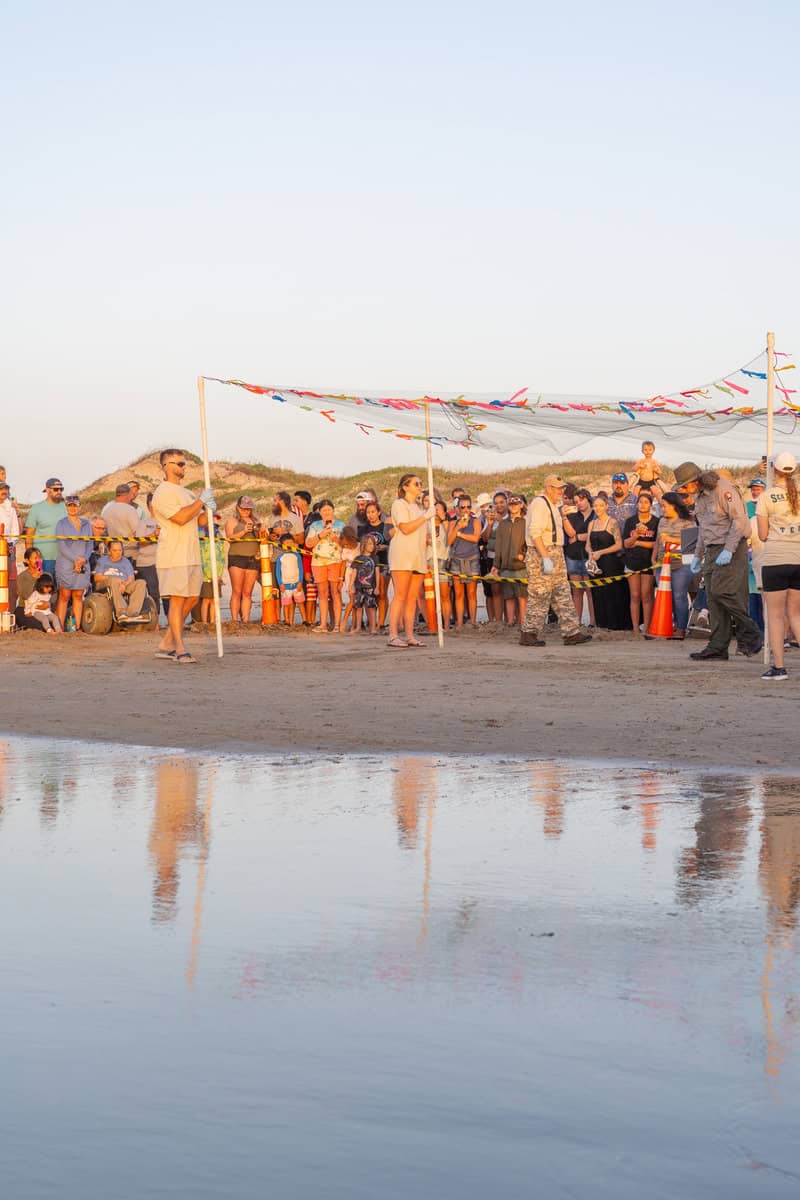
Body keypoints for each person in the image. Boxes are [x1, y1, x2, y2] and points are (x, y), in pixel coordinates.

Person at [673, 462, 763, 661]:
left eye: (685, 486)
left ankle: (750, 631)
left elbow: (739, 520)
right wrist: (697, 554)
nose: (683, 491)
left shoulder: (723, 489)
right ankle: (717, 646)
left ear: (695, 481)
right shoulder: (699, 497)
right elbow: (704, 528)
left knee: (723, 591)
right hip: (712, 548)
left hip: (732, 545)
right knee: (713, 599)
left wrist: (729, 550)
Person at [152, 449, 213, 664]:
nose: (183, 467)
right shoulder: (163, 492)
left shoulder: (186, 493)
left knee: (192, 598)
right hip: (173, 554)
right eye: (179, 464)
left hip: (192, 553)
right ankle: (179, 648)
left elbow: (198, 521)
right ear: (166, 465)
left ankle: (167, 641)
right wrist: (199, 502)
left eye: (184, 464)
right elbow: (180, 518)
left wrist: (209, 511)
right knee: (177, 601)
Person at [519, 475, 591, 647]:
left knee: (562, 593)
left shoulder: (554, 505)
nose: (561, 492)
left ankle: (571, 632)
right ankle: (529, 633)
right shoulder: (539, 504)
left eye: (562, 488)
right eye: (558, 488)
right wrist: (545, 557)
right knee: (540, 594)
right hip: (542, 551)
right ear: (549, 488)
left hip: (556, 551)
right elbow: (535, 533)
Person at [756, 452, 800, 681]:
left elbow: (762, 535)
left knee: (774, 616)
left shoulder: (766, 496)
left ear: (774, 470)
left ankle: (779, 667)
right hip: (798, 558)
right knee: (795, 614)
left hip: (775, 559)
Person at [388, 473, 433, 648]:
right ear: (405, 487)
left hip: (417, 555)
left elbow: (421, 532)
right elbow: (405, 528)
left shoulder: (420, 509)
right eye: (416, 483)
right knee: (400, 595)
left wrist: (429, 537)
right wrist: (425, 517)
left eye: (420, 483)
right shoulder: (399, 504)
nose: (420, 485)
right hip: (402, 554)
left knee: (412, 597)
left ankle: (409, 635)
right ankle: (393, 634)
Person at [654, 492, 696, 639]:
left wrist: (671, 539)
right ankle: (669, 624)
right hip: (661, 564)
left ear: (673, 506)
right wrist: (653, 559)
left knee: (679, 596)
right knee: (667, 596)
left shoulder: (688, 521)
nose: (662, 509)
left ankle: (681, 627)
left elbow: (692, 542)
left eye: (664, 506)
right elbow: (658, 541)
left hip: (682, 564)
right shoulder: (661, 521)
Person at [587, 493, 631, 631]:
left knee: (612, 593)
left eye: (601, 505)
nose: (598, 508)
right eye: (595, 506)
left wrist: (601, 552)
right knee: (597, 593)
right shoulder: (591, 524)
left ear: (606, 506)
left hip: (611, 563)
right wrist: (590, 554)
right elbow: (587, 544)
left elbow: (619, 545)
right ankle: (601, 623)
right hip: (595, 563)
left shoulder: (612, 522)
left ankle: (615, 625)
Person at [305, 499, 344, 633]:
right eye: (324, 510)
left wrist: (335, 538)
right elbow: (309, 544)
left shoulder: (340, 525)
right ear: (320, 512)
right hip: (318, 561)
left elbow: (347, 545)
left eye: (329, 510)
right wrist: (320, 535)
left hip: (335, 561)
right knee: (322, 593)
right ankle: (323, 624)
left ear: (333, 510)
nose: (327, 512)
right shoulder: (315, 525)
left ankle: (337, 624)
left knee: (335, 592)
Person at [54, 494, 93, 630]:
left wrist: (84, 559)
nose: (72, 508)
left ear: (79, 506)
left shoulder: (87, 524)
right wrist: (75, 560)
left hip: (83, 563)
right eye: (69, 505)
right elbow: (62, 545)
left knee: (78, 595)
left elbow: (90, 544)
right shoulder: (61, 524)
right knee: (64, 595)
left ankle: (75, 627)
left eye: (75, 505)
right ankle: (59, 627)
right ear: (66, 507)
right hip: (66, 564)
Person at [622, 491, 658, 635]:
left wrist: (638, 542)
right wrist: (636, 534)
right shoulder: (630, 521)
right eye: (640, 502)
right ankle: (636, 628)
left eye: (646, 502)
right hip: (632, 562)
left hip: (648, 562)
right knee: (635, 595)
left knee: (646, 595)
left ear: (650, 505)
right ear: (636, 504)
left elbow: (656, 544)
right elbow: (626, 543)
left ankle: (648, 627)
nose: (642, 505)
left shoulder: (656, 521)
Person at [224, 496, 262, 623]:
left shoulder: (256, 521)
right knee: (237, 591)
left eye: (248, 509)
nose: (246, 511)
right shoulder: (232, 521)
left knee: (247, 592)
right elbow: (230, 538)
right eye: (243, 508)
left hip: (253, 558)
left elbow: (261, 540)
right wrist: (244, 531)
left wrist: (263, 532)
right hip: (237, 557)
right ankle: (234, 620)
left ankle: (246, 620)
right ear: (238, 508)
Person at [357, 499, 393, 628]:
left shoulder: (385, 526)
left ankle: (381, 623)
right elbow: (359, 546)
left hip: (383, 562)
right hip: (367, 565)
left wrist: (384, 547)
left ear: (379, 512)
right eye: (368, 512)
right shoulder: (362, 529)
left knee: (382, 593)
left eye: (373, 512)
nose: (370, 515)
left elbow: (391, 543)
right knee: (368, 594)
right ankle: (371, 621)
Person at [447, 493, 481, 628]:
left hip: (471, 558)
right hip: (456, 559)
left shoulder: (476, 521)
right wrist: (458, 527)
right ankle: (459, 624)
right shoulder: (453, 523)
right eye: (463, 507)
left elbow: (475, 538)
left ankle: (472, 622)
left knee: (471, 593)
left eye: (468, 507)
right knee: (458, 594)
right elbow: (449, 541)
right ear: (457, 508)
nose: (466, 510)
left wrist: (459, 534)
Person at [492, 493, 527, 625]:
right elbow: (498, 546)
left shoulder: (525, 523)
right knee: (508, 596)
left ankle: (524, 623)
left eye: (516, 504)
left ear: (521, 505)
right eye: (511, 504)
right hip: (505, 566)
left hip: (520, 566)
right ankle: (510, 622)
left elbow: (529, 543)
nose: (513, 507)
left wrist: (523, 555)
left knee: (522, 596)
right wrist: (496, 565)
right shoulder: (502, 524)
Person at [563, 487, 594, 626]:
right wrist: (564, 517)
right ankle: (577, 623)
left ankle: (593, 622)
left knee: (590, 591)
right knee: (577, 592)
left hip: (590, 557)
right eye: (576, 501)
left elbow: (595, 533)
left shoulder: (596, 515)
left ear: (588, 499)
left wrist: (579, 536)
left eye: (581, 500)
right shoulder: (572, 516)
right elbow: (570, 534)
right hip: (573, 556)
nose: (579, 503)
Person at [93, 539, 148, 617]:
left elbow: (131, 578)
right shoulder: (103, 560)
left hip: (123, 585)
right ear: (109, 551)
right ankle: (122, 612)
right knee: (113, 580)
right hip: (106, 585)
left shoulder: (126, 561)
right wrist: (114, 580)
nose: (118, 553)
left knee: (141, 582)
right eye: (115, 550)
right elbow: (97, 578)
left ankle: (132, 613)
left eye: (120, 550)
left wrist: (124, 585)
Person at [24, 478, 67, 576]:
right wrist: (30, 559)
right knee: (43, 588)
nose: (59, 492)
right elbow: (29, 535)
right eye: (56, 489)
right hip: (42, 559)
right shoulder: (36, 508)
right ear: (47, 490)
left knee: (61, 590)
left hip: (63, 558)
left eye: (61, 489)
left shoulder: (66, 508)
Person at [481, 492, 508, 622]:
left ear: (507, 502)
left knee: (509, 592)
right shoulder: (491, 519)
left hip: (507, 558)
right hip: (492, 557)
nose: (499, 505)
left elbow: (511, 534)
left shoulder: (509, 517)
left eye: (502, 502)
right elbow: (485, 538)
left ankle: (511, 621)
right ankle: (498, 622)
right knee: (495, 590)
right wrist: (490, 524)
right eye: (496, 503)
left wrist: (500, 521)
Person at [426, 500, 452, 630]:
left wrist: (444, 520)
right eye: (434, 509)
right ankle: (434, 623)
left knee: (444, 595)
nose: (436, 512)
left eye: (439, 509)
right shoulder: (426, 524)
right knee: (431, 595)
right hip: (429, 560)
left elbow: (451, 538)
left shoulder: (447, 524)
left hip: (443, 560)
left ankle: (446, 624)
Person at [746, 477, 767, 635]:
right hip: (751, 557)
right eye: (753, 488)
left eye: (758, 488)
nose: (755, 491)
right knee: (753, 598)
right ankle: (757, 633)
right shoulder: (748, 507)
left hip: (767, 558)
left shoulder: (769, 510)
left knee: (766, 602)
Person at [101, 483, 141, 564]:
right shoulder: (130, 510)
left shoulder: (106, 511)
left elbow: (103, 534)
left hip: (111, 555)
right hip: (129, 555)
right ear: (128, 495)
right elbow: (137, 533)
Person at [349, 533, 380, 634]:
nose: (371, 546)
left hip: (371, 587)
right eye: (369, 544)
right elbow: (354, 573)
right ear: (363, 545)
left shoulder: (375, 558)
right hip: (359, 587)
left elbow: (377, 573)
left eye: (372, 544)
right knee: (358, 607)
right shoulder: (358, 558)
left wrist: (377, 587)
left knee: (372, 607)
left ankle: (373, 628)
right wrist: (351, 585)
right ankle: (358, 627)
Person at [136, 493, 160, 615]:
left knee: (167, 594)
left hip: (164, 562)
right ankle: (155, 620)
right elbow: (140, 542)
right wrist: (153, 535)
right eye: (152, 503)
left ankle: (171, 620)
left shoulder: (167, 523)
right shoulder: (143, 523)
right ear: (148, 505)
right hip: (147, 563)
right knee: (153, 592)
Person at [199, 516, 226, 624]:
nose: (213, 530)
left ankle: (212, 621)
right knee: (206, 600)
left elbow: (222, 558)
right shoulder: (202, 538)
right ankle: (204, 622)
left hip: (217, 575)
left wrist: (219, 575)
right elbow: (203, 559)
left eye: (215, 528)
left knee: (214, 600)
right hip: (206, 576)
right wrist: (209, 574)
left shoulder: (219, 539)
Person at [275, 534, 305, 624]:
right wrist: (280, 584)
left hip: (296, 584)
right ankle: (288, 621)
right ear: (282, 545)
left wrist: (300, 582)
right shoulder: (280, 557)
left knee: (300, 603)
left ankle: (304, 620)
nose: (289, 544)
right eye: (287, 543)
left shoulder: (297, 555)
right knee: (287, 604)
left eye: (291, 542)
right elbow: (278, 572)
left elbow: (301, 569)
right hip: (285, 586)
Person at [0, 480, 20, 610]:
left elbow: (15, 532)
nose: (4, 492)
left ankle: (9, 614)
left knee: (11, 582)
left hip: (7, 548)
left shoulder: (11, 509)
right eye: (2, 489)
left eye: (6, 490)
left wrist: (10, 544)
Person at [15, 547, 46, 630]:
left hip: (41, 608)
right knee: (40, 626)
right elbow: (26, 595)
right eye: (35, 558)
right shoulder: (22, 576)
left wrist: (47, 604)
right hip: (25, 609)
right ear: (27, 560)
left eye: (40, 558)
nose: (38, 560)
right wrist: (34, 579)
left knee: (50, 623)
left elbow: (51, 593)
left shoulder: (46, 575)